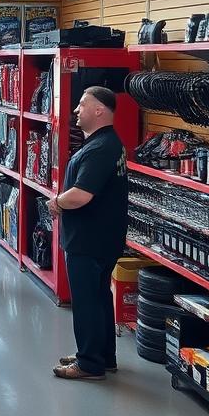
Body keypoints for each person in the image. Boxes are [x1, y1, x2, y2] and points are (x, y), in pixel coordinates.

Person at [47, 86, 128, 381]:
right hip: (102, 237)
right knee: (99, 297)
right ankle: (103, 355)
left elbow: (81, 196)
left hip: (89, 239)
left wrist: (56, 201)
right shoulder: (107, 144)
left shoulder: (99, 149)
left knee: (86, 301)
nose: (76, 110)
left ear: (99, 111)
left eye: (82, 104)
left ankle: (89, 363)